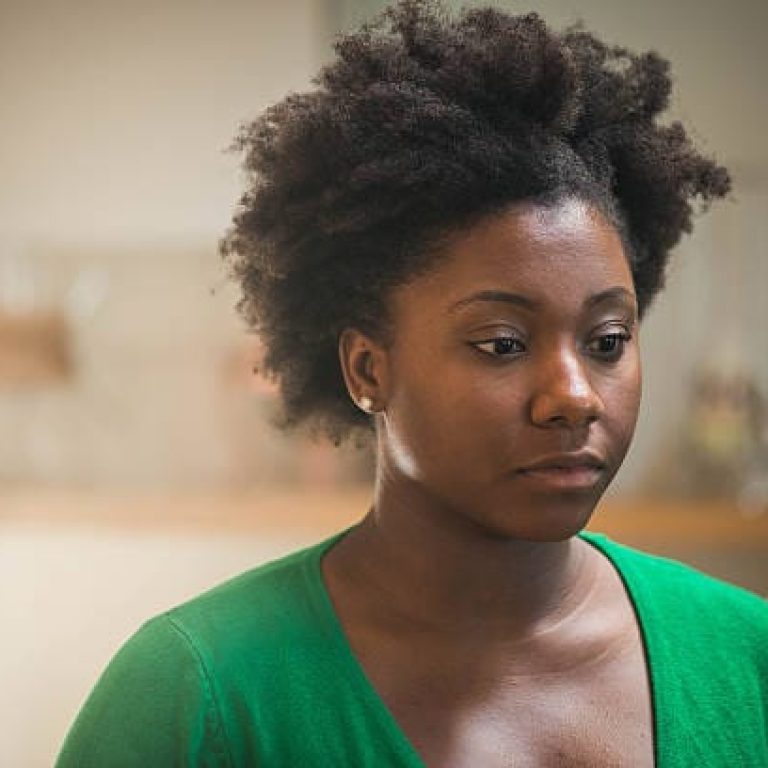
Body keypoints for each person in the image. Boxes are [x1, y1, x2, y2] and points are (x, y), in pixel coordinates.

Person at [56, 1, 767, 766]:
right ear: (369, 368)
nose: (575, 395)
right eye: (501, 343)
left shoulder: (746, 658)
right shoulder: (199, 696)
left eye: (607, 341)